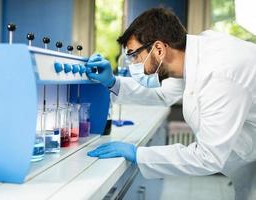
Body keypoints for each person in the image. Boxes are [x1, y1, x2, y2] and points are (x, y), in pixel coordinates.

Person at [85, 7, 256, 200]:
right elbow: (162, 94)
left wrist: (139, 154)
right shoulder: (197, 53)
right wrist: (113, 83)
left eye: (134, 56)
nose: (132, 64)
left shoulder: (219, 74)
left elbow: (208, 157)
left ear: (159, 49)